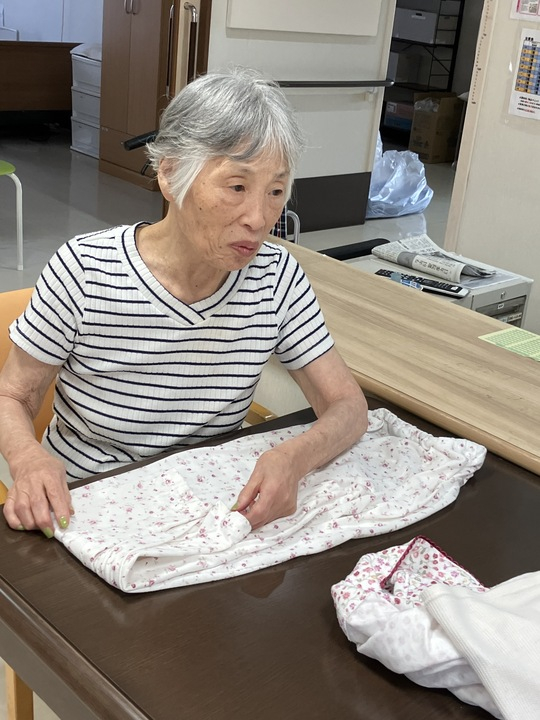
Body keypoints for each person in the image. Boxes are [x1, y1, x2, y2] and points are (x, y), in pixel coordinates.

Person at [0, 67, 368, 538]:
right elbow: (13, 395)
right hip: (89, 505)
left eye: (275, 192)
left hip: (213, 509)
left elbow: (347, 406)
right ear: (172, 175)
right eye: (237, 187)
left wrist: (294, 458)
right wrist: (28, 458)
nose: (259, 219)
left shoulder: (276, 278)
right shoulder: (86, 270)